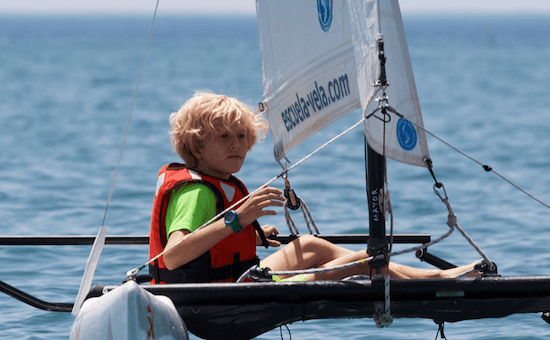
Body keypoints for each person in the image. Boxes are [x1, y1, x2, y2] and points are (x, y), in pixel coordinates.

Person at [149, 91, 479, 284]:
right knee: (364, 261)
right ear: (196, 145)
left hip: (233, 281)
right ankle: (437, 280)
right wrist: (238, 220)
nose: (237, 145)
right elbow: (174, 257)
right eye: (223, 137)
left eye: (241, 136)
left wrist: (252, 233)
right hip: (222, 295)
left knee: (308, 245)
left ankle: (434, 277)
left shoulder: (215, 183)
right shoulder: (196, 193)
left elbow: (211, 241)